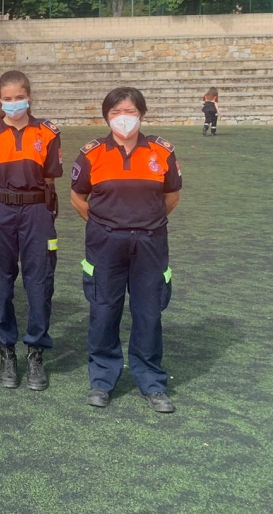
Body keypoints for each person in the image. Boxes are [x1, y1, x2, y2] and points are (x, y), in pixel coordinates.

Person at [71, 87, 181, 413]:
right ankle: (102, 380)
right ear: (107, 116)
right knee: (104, 310)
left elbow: (171, 197)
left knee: (148, 312)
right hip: (106, 244)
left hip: (150, 242)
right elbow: (79, 197)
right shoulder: (92, 154)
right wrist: (106, 225)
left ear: (142, 114)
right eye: (116, 111)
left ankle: (152, 382)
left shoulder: (161, 152)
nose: (123, 118)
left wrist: (144, 221)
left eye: (130, 111)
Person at [0, 71, 61, 391]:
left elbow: (51, 178)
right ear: (0, 100)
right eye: (7, 99)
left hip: (37, 211)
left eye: (18, 98)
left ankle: (35, 352)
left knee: (39, 283)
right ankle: (6, 351)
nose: (14, 104)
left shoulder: (48, 133)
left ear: (30, 97)